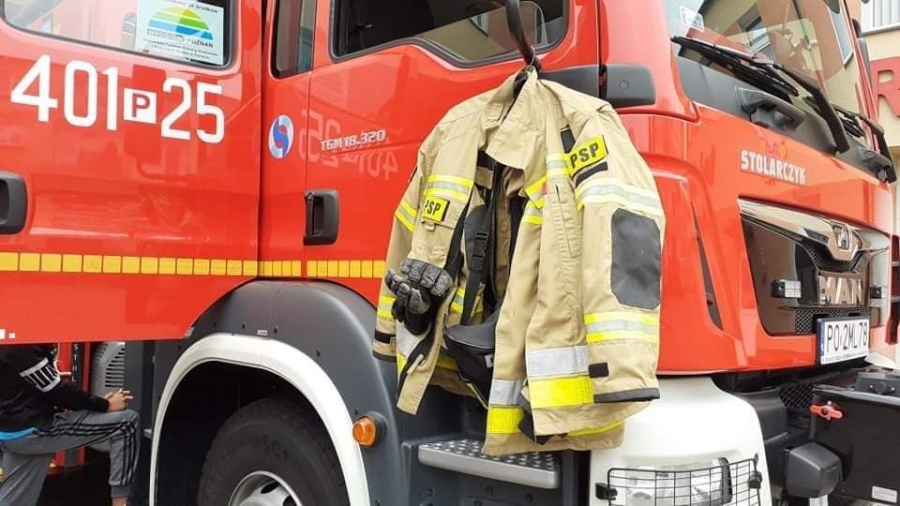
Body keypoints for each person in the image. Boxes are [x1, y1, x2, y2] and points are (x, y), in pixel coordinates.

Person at [0, 344, 140, 506]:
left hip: (14, 431)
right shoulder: (21, 347)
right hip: (33, 429)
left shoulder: (13, 342)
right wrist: (105, 405)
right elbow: (57, 391)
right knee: (126, 423)